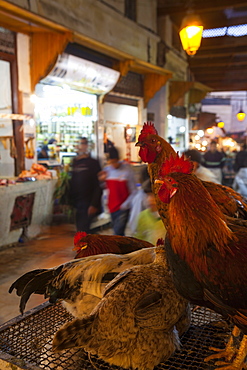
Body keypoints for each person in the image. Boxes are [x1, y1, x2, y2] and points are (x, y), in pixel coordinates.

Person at [99, 147, 137, 236]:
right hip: (112, 207)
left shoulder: (127, 170)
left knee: (118, 232)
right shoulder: (107, 171)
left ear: (118, 159)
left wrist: (126, 204)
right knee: (118, 232)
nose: (114, 164)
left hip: (123, 207)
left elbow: (133, 190)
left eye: (115, 161)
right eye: (112, 162)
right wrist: (101, 180)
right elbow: (103, 187)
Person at [69, 137, 102, 233]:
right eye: (79, 144)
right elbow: (73, 181)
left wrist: (94, 204)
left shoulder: (93, 163)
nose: (80, 146)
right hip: (78, 203)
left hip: (88, 202)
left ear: (86, 146)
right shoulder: (75, 162)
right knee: (81, 229)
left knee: (85, 230)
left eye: (83, 144)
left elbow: (98, 185)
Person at [134, 179, 166, 245]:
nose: (150, 199)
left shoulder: (169, 217)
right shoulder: (142, 216)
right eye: (147, 196)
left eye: (154, 196)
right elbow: (138, 238)